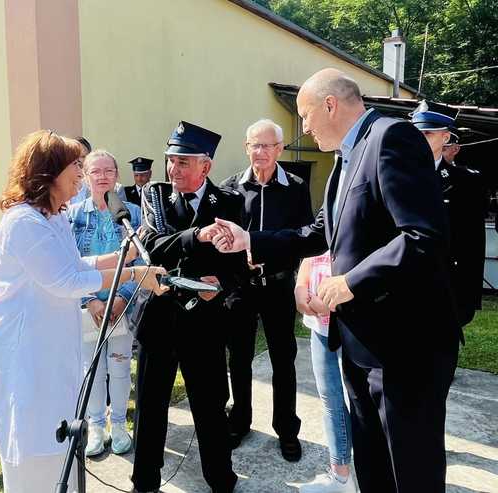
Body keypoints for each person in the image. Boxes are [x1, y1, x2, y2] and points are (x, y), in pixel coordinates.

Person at [210, 69, 462, 493]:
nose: (303, 129)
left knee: (410, 469)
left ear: (330, 105)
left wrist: (351, 283)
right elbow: (319, 233)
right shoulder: (344, 158)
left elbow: (423, 236)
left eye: (306, 116)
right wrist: (249, 238)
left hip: (404, 346)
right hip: (361, 341)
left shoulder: (391, 138)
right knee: (373, 463)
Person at [0, 130, 166, 493]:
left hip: (50, 350)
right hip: (26, 355)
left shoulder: (52, 217)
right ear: (48, 172)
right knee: (34, 450)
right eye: (76, 166)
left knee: (59, 444)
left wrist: (123, 255)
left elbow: (76, 263)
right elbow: (65, 280)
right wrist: (132, 275)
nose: (81, 174)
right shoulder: (23, 223)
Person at [131, 121, 248, 493]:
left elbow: (239, 264)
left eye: (182, 162)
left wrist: (222, 284)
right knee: (150, 408)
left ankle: (220, 479)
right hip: (160, 318)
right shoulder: (156, 196)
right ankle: (145, 480)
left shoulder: (230, 203)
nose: (173, 169)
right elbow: (153, 243)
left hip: (205, 324)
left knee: (211, 409)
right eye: (170, 160)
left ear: (205, 167)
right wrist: (197, 236)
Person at [220, 119, 313, 458]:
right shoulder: (230, 189)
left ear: (279, 149)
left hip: (277, 286)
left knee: (283, 360)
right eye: (254, 145)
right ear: (246, 148)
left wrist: (263, 248)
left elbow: (305, 238)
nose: (260, 152)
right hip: (242, 288)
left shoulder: (296, 187)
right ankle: (240, 420)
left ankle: (287, 428)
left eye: (267, 145)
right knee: (240, 358)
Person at [68, 150, 141, 457]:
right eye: (94, 171)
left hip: (121, 305)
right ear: (85, 177)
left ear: (116, 175)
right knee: (93, 367)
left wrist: (122, 297)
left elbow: (141, 262)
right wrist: (90, 301)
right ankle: (96, 425)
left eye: (108, 171)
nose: (102, 177)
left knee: (121, 367)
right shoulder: (72, 216)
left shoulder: (134, 213)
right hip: (89, 309)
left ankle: (120, 424)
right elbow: (68, 264)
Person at [410, 101, 486, 326]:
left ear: (445, 138)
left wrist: (468, 299)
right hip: (399, 287)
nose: (420, 139)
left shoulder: (466, 183)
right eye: (416, 133)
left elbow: (472, 243)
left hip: (445, 289)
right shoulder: (391, 174)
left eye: (428, 133)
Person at [295, 254, 357, 493]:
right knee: (331, 401)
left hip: (352, 322)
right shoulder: (326, 216)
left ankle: (376, 471)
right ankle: (341, 477)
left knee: (363, 404)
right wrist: (300, 287)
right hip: (319, 325)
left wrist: (334, 303)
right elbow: (310, 252)